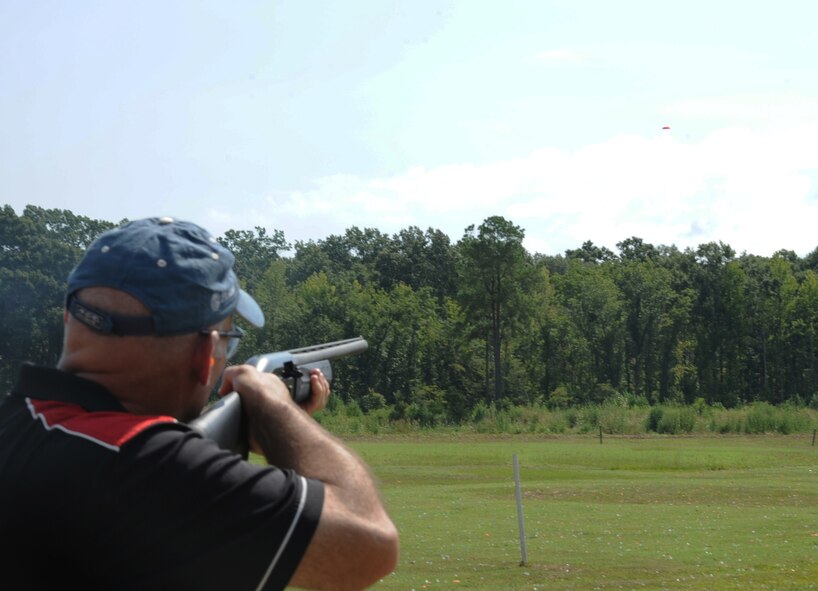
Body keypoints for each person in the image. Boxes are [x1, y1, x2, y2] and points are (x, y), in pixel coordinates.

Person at [0, 216, 399, 590]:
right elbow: (369, 541)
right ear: (207, 351)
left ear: (70, 319)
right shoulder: (147, 464)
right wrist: (274, 406)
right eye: (228, 340)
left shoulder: (18, 424)